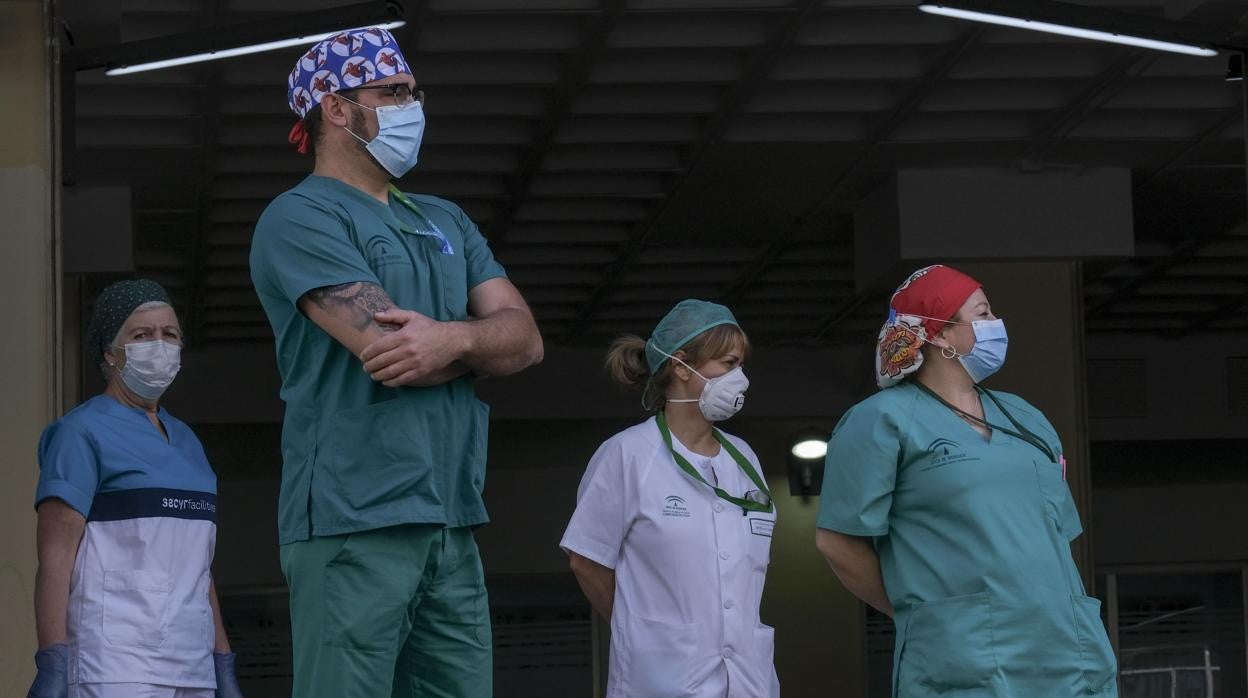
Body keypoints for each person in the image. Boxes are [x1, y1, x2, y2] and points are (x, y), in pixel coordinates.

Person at [248, 26, 543, 698]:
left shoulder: (443, 218)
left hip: (450, 518)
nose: (413, 107)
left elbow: (526, 340)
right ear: (336, 108)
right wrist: (478, 340)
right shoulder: (299, 217)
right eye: (393, 91)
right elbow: (392, 352)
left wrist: (455, 342)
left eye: (413, 92)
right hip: (354, 522)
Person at [814, 265, 1118, 697]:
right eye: (983, 313)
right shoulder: (879, 421)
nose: (997, 324)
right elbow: (838, 542)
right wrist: (920, 613)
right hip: (962, 657)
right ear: (939, 335)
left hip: (1067, 650)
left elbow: (1055, 537)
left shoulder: (1026, 418)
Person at [28, 279, 244, 698]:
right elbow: (54, 557)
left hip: (192, 668)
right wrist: (51, 659)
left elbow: (198, 565)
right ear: (110, 353)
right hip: (113, 668)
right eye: (141, 335)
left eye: (170, 334)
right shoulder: (81, 432)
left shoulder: (188, 442)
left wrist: (222, 659)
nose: (159, 345)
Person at [560, 300, 780, 698]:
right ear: (681, 366)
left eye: (741, 365)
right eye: (728, 364)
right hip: (661, 681)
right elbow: (586, 560)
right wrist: (642, 630)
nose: (740, 378)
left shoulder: (744, 458)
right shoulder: (627, 454)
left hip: (748, 681)